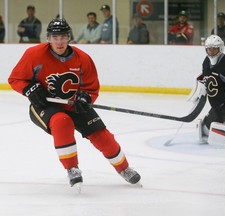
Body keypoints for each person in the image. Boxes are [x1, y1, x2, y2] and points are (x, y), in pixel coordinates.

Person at [8, 18, 141, 189]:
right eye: (55, 37)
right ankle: (72, 168)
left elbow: (92, 88)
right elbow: (15, 79)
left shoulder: (83, 59)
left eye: (63, 37)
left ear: (69, 38)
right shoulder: (34, 55)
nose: (59, 42)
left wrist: (86, 99)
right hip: (45, 105)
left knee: (102, 135)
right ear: (48, 38)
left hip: (73, 104)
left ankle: (124, 169)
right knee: (62, 122)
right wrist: (29, 89)